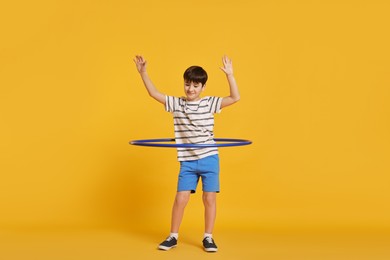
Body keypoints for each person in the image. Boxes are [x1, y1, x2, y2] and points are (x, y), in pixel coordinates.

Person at [133, 55, 240, 252]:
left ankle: (208, 237)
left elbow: (234, 98)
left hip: (209, 157)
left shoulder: (209, 103)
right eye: (187, 84)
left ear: (203, 88)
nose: (190, 89)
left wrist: (230, 76)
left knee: (209, 198)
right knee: (181, 198)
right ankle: (173, 236)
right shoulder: (177, 104)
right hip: (188, 161)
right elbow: (153, 93)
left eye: (195, 86)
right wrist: (143, 73)